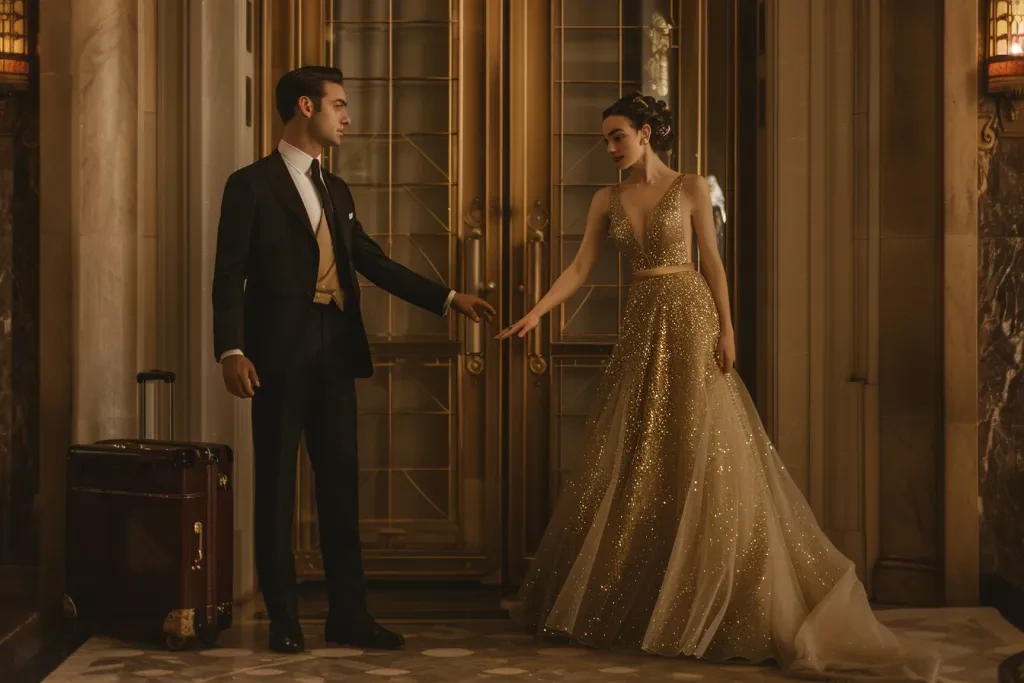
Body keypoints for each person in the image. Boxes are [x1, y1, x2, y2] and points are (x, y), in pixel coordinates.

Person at [498, 93, 941, 681]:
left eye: (618, 137)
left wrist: (728, 330)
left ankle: (719, 596)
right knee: (642, 456)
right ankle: (654, 593)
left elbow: (712, 261)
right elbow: (580, 267)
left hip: (690, 318)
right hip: (643, 327)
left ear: (647, 134)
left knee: (706, 447)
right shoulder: (606, 199)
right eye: (606, 139)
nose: (609, 149)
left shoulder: (690, 187)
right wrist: (537, 313)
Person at [212, 66, 495, 654]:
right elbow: (228, 274)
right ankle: (283, 621)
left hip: (336, 350)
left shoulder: (337, 190)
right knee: (276, 488)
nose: (348, 117)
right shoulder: (250, 185)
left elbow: (372, 261)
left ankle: (349, 616)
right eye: (339, 105)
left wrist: (448, 298)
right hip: (275, 357)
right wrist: (231, 349)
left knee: (341, 486)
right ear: (305, 106)